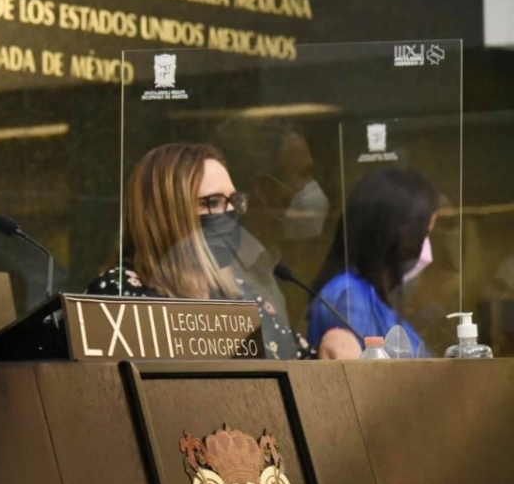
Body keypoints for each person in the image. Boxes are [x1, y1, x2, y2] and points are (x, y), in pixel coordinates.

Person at [86, 143, 360, 360]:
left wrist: (331, 343)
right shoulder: (117, 297)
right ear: (166, 213)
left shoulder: (239, 294)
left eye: (233, 201)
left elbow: (294, 364)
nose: (228, 213)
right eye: (213, 202)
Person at [309, 166, 438, 357]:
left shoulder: (373, 298)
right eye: (424, 234)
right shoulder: (349, 297)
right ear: (400, 233)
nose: (425, 248)